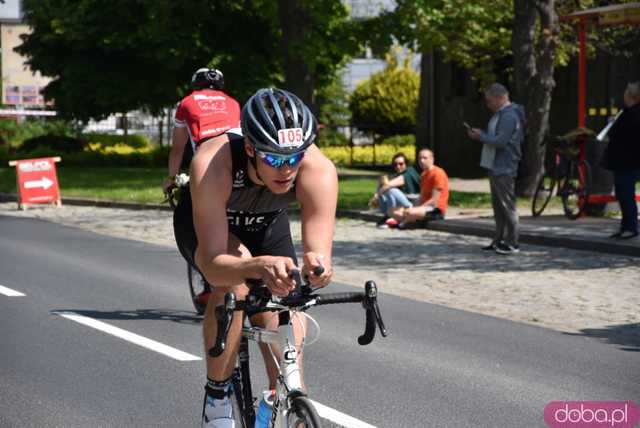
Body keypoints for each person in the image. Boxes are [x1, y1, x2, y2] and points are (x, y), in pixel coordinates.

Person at [173, 88, 338, 428]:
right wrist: (256, 267)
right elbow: (213, 261)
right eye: (275, 159)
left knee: (286, 296)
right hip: (211, 229)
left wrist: (316, 268)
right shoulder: (212, 163)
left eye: (294, 157)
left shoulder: (317, 170)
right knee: (234, 284)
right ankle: (217, 399)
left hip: (266, 222)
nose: (287, 169)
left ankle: (288, 396)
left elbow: (318, 253)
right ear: (250, 148)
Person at [161, 68, 241, 194]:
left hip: (207, 157)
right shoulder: (234, 103)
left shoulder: (186, 102)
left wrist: (171, 178)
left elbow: (177, 148)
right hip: (238, 154)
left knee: (193, 209)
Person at [467, 83, 524, 255]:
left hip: (505, 166)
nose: (488, 104)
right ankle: (499, 240)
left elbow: (501, 141)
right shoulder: (501, 114)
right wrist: (483, 134)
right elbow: (496, 137)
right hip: (496, 165)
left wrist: (480, 137)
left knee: (507, 206)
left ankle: (513, 242)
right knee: (498, 207)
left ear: (500, 98)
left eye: (489, 100)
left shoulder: (509, 116)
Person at [602, 81, 640, 240]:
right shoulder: (628, 112)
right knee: (623, 194)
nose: (624, 94)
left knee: (625, 194)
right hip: (626, 160)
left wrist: (612, 125)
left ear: (632, 96)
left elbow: (620, 135)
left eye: (626, 91)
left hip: (628, 161)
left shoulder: (633, 114)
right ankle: (626, 226)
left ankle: (630, 227)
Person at [389, 149, 449, 228]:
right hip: (423, 208)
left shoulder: (438, 173)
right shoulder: (423, 175)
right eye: (419, 158)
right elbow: (421, 197)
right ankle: (412, 220)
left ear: (432, 159)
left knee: (409, 212)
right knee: (392, 211)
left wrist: (417, 208)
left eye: (425, 158)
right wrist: (413, 207)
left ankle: (407, 221)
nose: (422, 160)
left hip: (436, 210)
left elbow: (434, 200)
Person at [369, 152, 421, 227]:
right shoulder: (397, 174)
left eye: (401, 164)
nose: (398, 166)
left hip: (412, 203)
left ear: (406, 164)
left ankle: (390, 217)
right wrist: (379, 185)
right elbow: (384, 183)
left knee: (390, 189)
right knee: (384, 188)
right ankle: (389, 216)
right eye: (395, 164)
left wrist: (376, 195)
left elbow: (390, 184)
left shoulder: (410, 172)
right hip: (400, 205)